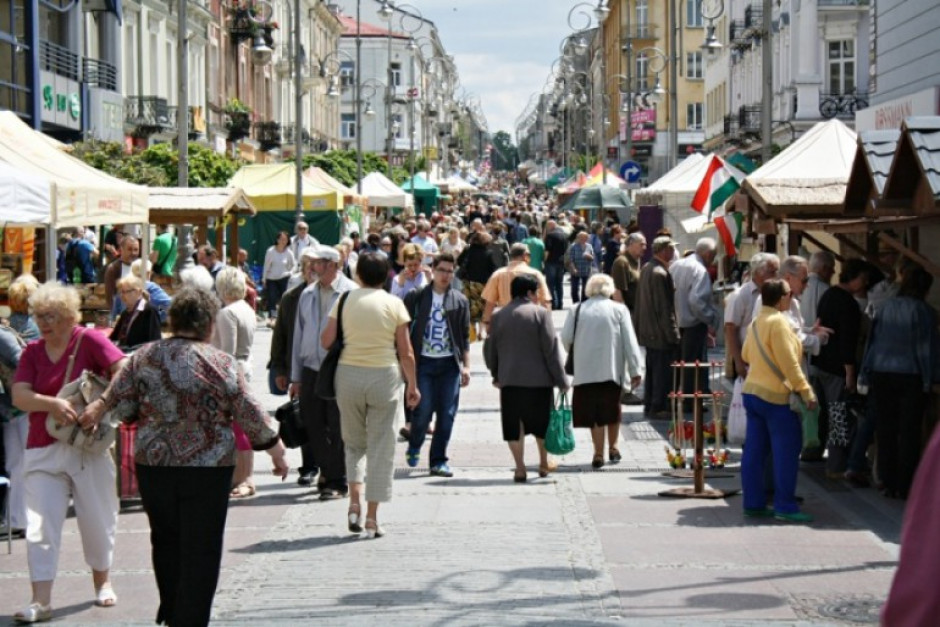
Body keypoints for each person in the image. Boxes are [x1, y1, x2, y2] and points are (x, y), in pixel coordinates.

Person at [82, 287, 289, 627]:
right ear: (208, 325)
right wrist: (276, 451)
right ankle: (189, 618)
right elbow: (248, 410)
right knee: (202, 545)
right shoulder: (222, 362)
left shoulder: (143, 357)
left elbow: (124, 405)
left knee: (165, 538)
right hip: (207, 468)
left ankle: (172, 605)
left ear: (172, 321)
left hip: (155, 464)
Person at [10, 283, 127, 622]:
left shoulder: (88, 340)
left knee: (97, 519)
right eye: (38, 316)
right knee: (41, 526)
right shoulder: (32, 351)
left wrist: (101, 405)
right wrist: (51, 403)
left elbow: (123, 370)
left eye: (51, 316)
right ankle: (40, 601)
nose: (43, 323)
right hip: (42, 449)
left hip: (88, 447)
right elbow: (19, 395)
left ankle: (102, 581)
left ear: (68, 316)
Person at [321, 252, 420, 539]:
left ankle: (354, 502)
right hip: (384, 377)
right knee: (381, 446)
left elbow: (326, 341)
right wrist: (412, 386)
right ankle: (373, 518)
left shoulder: (344, 300)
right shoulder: (395, 304)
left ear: (358, 275)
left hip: (348, 375)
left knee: (353, 444)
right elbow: (406, 352)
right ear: (387, 275)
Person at [740, 279, 818, 523]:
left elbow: (744, 354)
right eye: (789, 293)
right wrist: (806, 391)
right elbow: (789, 363)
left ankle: (753, 503)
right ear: (781, 297)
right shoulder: (779, 323)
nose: (792, 296)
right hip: (775, 397)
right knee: (786, 451)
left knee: (754, 451)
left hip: (752, 392)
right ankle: (785, 504)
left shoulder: (756, 322)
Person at [858, 267, 939, 499]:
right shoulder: (924, 311)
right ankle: (905, 484)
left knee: (886, 428)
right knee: (910, 430)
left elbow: (872, 341)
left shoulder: (886, 307)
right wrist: (931, 378)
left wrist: (865, 371)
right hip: (911, 374)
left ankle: (886, 479)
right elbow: (927, 349)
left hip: (882, 372)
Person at [484, 274, 568, 483]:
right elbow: (551, 350)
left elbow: (491, 351)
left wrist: (496, 374)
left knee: (514, 426)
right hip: (539, 381)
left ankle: (520, 468)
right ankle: (542, 462)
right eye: (537, 292)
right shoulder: (541, 314)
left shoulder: (498, 316)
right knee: (541, 424)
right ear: (530, 293)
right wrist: (561, 380)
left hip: (510, 379)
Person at [290, 246, 357, 500]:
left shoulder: (349, 292)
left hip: (339, 367)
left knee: (339, 424)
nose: (311, 267)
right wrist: (296, 376)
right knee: (312, 423)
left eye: (316, 263)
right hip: (311, 369)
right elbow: (298, 335)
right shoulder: (307, 293)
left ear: (331, 265)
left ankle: (336, 480)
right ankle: (329, 471)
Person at [561, 274, 642, 470]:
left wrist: (578, 352)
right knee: (612, 409)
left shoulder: (577, 309)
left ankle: (598, 453)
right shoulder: (619, 309)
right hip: (612, 368)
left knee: (594, 413)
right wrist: (635, 370)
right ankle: (613, 448)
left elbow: (565, 338)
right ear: (610, 289)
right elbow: (630, 341)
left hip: (585, 370)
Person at [402, 253, 471, 477]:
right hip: (423, 364)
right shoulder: (417, 297)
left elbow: (464, 337)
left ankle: (438, 459)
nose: (446, 275)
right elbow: (403, 330)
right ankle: (415, 443)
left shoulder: (459, 300)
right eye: (442, 270)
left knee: (447, 413)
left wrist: (466, 366)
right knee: (422, 411)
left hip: (449, 365)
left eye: (450, 271)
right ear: (432, 270)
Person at [810, 258, 870, 472]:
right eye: (863, 279)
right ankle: (836, 465)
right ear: (854, 278)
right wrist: (850, 375)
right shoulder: (848, 304)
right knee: (839, 415)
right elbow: (847, 342)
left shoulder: (829, 294)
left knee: (827, 413)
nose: (864, 285)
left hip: (820, 364)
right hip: (837, 369)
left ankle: (825, 458)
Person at [271, 247, 320, 486]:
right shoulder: (291, 298)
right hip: (302, 369)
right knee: (305, 417)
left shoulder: (337, 294)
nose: (312, 269)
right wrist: (280, 369)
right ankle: (309, 467)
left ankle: (331, 467)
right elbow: (280, 334)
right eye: (307, 265)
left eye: (316, 264)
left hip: (330, 368)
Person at [211, 267, 259, 499]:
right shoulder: (247, 309)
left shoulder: (227, 312)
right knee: (242, 424)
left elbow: (226, 352)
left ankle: (243, 478)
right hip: (244, 367)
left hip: (231, 372)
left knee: (237, 427)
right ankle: (243, 477)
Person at [669, 237, 719, 412]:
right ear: (707, 254)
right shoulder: (700, 270)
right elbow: (697, 301)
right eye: (713, 256)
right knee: (692, 364)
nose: (713, 261)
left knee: (677, 363)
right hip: (692, 323)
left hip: (675, 322)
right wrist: (709, 317)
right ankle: (690, 402)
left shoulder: (675, 265)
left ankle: (674, 397)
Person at [633, 236, 679, 418]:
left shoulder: (647, 268)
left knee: (652, 369)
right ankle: (658, 406)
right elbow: (664, 308)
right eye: (671, 249)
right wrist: (673, 334)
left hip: (649, 330)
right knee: (661, 372)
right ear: (663, 250)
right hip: (659, 333)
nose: (673, 252)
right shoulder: (659, 272)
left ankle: (651, 403)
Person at [725, 253, 781, 381]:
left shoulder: (777, 293)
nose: (777, 276)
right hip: (748, 361)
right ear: (758, 273)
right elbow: (730, 329)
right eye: (773, 272)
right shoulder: (740, 296)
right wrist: (738, 363)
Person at [481, 243, 551, 334]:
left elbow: (490, 302)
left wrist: (487, 323)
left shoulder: (498, 274)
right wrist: (547, 324)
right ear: (525, 256)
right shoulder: (535, 274)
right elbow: (545, 301)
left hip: (505, 321)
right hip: (530, 320)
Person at [456, 231, 499, 341]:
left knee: (469, 307)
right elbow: (493, 270)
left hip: (467, 283)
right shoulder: (489, 253)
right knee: (481, 309)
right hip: (482, 285)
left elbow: (459, 261)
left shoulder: (467, 250)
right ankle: (481, 331)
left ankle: (471, 332)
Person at [110, 275, 162, 350]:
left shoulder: (149, 312)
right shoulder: (125, 313)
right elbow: (113, 338)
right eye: (121, 292)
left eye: (125, 292)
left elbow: (153, 343)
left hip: (138, 357)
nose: (122, 296)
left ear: (138, 292)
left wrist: (128, 350)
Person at [103, 235, 141, 320]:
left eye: (136, 250)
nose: (133, 253)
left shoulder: (141, 266)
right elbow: (110, 297)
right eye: (130, 249)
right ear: (121, 250)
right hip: (121, 315)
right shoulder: (113, 269)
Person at [262, 231, 296, 321]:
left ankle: (283, 317)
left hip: (284, 278)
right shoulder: (270, 251)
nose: (283, 241)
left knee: (284, 297)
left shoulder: (289, 252)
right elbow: (266, 265)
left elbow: (294, 265)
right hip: (271, 278)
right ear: (277, 239)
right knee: (272, 298)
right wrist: (264, 278)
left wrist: (290, 273)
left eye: (285, 239)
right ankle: (273, 317)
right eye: (281, 239)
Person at [611, 232, 646, 317]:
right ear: (631, 244)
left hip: (638, 312)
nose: (644, 248)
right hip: (629, 314)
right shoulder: (621, 262)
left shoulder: (636, 262)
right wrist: (623, 318)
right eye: (641, 244)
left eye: (645, 245)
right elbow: (617, 293)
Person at [800, 250, 835, 330]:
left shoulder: (798, 285)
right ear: (824, 268)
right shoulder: (828, 290)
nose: (833, 272)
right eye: (832, 268)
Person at [130, 259, 171, 324]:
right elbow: (167, 303)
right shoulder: (149, 285)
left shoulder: (130, 286)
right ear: (148, 273)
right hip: (159, 318)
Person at [542, 220, 568, 310]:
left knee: (551, 284)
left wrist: (544, 260)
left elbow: (547, 250)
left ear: (550, 226)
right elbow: (566, 249)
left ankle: (553, 303)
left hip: (551, 262)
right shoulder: (564, 235)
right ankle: (560, 303)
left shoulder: (550, 236)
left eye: (547, 226)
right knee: (559, 284)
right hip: (560, 262)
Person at [566, 231, 595, 305]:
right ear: (578, 238)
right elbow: (571, 259)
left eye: (585, 238)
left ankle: (584, 303)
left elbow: (592, 258)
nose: (583, 239)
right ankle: (576, 304)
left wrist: (588, 256)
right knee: (574, 289)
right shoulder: (573, 246)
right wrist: (573, 268)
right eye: (581, 237)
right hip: (576, 270)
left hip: (586, 270)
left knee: (585, 289)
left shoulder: (589, 246)